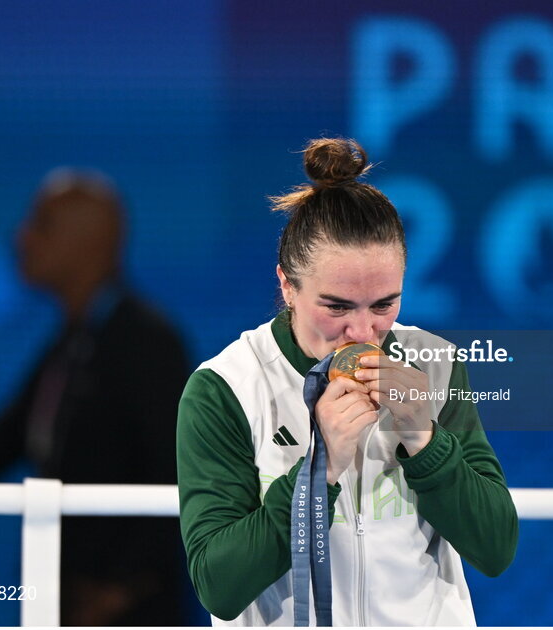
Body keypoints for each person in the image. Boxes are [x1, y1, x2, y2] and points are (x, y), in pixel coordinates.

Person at [177, 138, 518, 626]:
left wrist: (425, 440)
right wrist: (320, 469)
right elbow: (220, 587)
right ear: (287, 286)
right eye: (336, 307)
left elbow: (496, 549)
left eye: (384, 305)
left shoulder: (436, 364)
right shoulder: (224, 388)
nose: (362, 333)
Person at [0, 169, 191, 626]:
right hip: (61, 594)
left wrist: (119, 587)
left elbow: (175, 470)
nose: (22, 236)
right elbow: (2, 442)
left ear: (91, 242)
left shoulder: (144, 341)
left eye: (41, 224)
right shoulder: (74, 341)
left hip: (121, 612)